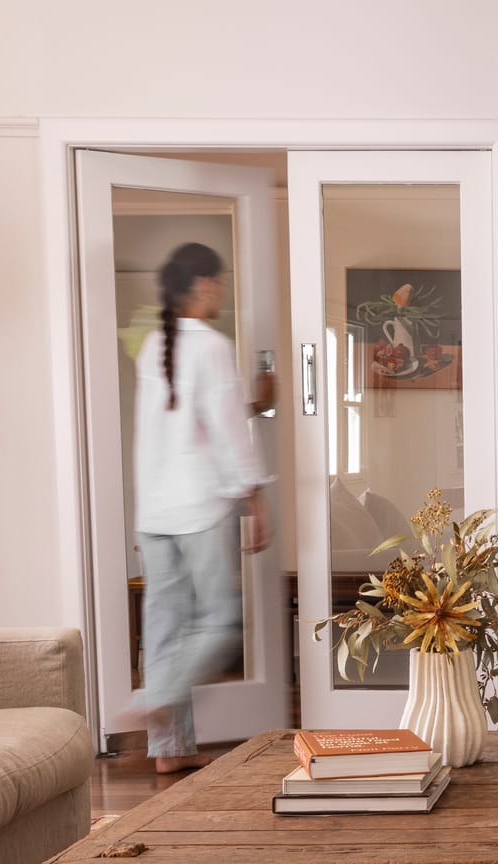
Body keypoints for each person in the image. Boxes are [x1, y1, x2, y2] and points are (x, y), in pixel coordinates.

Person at [129, 241, 276, 773]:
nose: (222, 291)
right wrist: (255, 498)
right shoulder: (211, 346)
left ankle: (170, 749)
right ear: (205, 285)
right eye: (219, 282)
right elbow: (228, 433)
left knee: (166, 627)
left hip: (155, 511)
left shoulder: (153, 346)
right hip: (198, 507)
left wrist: (257, 400)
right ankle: (158, 696)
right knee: (219, 621)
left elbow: (183, 423)